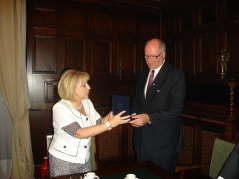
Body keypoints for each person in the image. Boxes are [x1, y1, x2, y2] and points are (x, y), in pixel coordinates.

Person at [48, 69, 130, 177]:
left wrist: (110, 117)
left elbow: (98, 122)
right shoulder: (60, 108)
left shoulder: (87, 102)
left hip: (84, 158)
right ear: (71, 88)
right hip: (63, 161)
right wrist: (110, 124)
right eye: (84, 85)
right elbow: (79, 133)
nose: (89, 87)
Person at [129, 38, 186, 174]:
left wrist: (148, 117)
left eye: (153, 56)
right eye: (146, 56)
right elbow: (137, 101)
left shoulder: (175, 75)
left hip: (163, 143)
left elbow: (176, 108)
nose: (148, 60)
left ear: (164, 54)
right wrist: (133, 115)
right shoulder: (143, 75)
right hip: (141, 141)